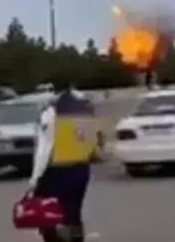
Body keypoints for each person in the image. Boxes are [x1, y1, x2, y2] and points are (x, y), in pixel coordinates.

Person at [28, 83, 103, 242]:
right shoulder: (85, 107)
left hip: (56, 171)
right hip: (81, 168)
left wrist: (35, 178)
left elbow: (45, 146)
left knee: (49, 214)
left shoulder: (52, 110)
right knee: (73, 213)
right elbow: (95, 139)